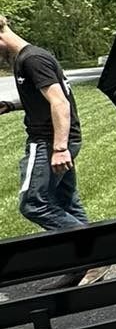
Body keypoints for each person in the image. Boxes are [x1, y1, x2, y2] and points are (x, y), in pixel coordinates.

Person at [0, 14, 91, 236]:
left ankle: (94, 252)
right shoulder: (28, 57)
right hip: (61, 139)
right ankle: (89, 263)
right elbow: (45, 99)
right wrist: (10, 106)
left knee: (34, 204)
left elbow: (60, 102)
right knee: (65, 201)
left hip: (49, 142)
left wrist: (59, 149)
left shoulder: (31, 60)